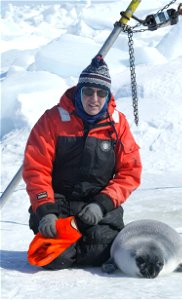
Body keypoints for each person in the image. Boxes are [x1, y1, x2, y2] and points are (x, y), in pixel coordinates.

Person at [23, 55, 142, 270]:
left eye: (101, 93)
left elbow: (130, 173)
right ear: (79, 91)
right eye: (88, 91)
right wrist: (45, 210)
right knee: (55, 258)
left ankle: (86, 241)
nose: (94, 98)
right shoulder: (52, 120)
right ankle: (64, 240)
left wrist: (102, 203)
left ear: (107, 95)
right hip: (58, 202)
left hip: (97, 205)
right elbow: (36, 168)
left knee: (99, 251)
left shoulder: (118, 125)